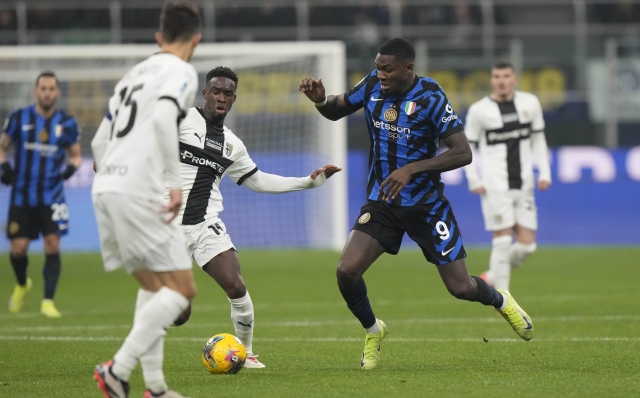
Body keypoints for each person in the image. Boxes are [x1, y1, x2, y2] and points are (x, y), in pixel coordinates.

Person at [298, 38, 534, 371]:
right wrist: (320, 99)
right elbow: (337, 109)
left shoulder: (431, 97)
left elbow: (463, 152)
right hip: (384, 203)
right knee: (346, 271)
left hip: (427, 206)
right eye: (378, 67)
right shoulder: (372, 85)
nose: (380, 74)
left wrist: (412, 168)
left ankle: (501, 300)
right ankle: (373, 331)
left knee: (461, 287)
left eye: (387, 69)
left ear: (408, 68)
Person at [170, 66, 342, 369]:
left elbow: (259, 181)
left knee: (236, 286)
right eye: (216, 91)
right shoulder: (180, 120)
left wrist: (308, 182)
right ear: (205, 93)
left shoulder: (232, 145)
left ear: (234, 98)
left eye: (228, 93)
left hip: (204, 224)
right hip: (167, 228)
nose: (222, 97)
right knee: (179, 315)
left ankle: (245, 353)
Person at [90, 3, 201, 397]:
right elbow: (160, 120)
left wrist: (112, 178)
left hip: (105, 188)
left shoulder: (132, 75)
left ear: (159, 37)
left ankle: (154, 387)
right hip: (140, 190)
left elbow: (98, 141)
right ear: (196, 39)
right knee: (183, 288)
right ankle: (117, 370)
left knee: (155, 286)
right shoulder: (182, 71)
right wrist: (173, 184)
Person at [463, 62, 551, 291]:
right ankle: (502, 299)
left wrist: (545, 171)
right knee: (502, 241)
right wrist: (474, 178)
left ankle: (491, 276)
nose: (501, 80)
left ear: (515, 79)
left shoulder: (530, 103)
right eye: (496, 76)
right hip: (494, 184)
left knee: (526, 246)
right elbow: (467, 148)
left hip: (524, 183)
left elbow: (538, 140)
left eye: (506, 76)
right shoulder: (479, 110)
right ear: (492, 80)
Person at [1, 71, 81, 318]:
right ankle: (23, 284)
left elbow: (76, 156)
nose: (47, 93)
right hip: (22, 195)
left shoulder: (66, 123)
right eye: (43, 88)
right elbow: (2, 148)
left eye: (51, 89)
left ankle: (48, 301)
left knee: (52, 243)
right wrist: (4, 168)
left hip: (52, 195)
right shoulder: (18, 117)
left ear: (57, 92)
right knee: (18, 249)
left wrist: (68, 171)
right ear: (36, 91)